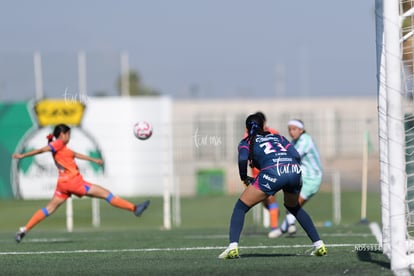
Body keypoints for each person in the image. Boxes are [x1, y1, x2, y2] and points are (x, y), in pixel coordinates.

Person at [12, 123, 150, 243]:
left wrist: (93, 160)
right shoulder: (58, 143)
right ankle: (134, 209)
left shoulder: (62, 147)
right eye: (68, 134)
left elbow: (75, 154)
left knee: (49, 209)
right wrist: (23, 156)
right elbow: (42, 149)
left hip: (63, 184)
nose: (69, 137)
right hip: (74, 182)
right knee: (107, 194)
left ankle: (24, 230)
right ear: (63, 134)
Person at [218, 114, 327, 259]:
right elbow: (296, 155)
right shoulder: (278, 137)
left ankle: (232, 247)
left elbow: (243, 158)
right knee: (294, 207)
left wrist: (244, 177)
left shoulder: (246, 142)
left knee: (241, 207)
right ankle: (319, 244)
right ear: (264, 126)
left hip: (273, 172)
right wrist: (291, 171)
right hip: (294, 170)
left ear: (246, 128)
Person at [270, 119, 323, 238]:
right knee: (290, 202)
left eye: (294, 129)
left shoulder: (306, 140)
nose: (291, 132)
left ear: (301, 130)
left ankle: (284, 228)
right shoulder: (294, 142)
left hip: (312, 178)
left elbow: (295, 155)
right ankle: (288, 226)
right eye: (289, 129)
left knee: (293, 204)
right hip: (303, 176)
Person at [244, 112, 280, 236]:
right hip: (255, 174)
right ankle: (278, 221)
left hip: (269, 171)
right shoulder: (249, 135)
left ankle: (275, 228)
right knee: (266, 202)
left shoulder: (273, 133)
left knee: (270, 199)